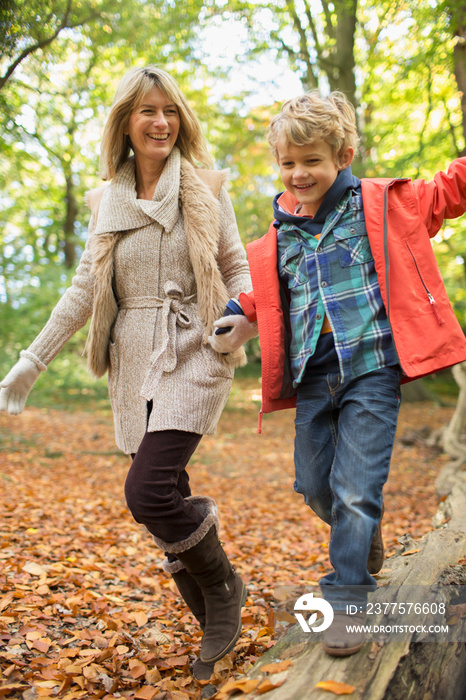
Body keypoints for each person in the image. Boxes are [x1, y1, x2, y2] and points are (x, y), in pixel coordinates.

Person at [0, 65, 252, 675]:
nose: (160, 121)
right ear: (127, 123)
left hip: (195, 347)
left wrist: (240, 317)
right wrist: (32, 361)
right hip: (131, 355)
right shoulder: (107, 200)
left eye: (169, 110)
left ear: (181, 120)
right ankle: (214, 622)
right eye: (147, 110)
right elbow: (85, 289)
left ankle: (222, 590)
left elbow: (238, 266)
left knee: (145, 490)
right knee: (164, 493)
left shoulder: (206, 189)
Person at [208, 90, 466, 656]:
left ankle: (348, 597)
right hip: (311, 379)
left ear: (343, 155)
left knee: (355, 489)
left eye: (312, 161)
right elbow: (269, 296)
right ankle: (362, 530)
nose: (298, 173)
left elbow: (450, 190)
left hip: (372, 372)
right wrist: (238, 314)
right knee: (315, 486)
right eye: (288, 163)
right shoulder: (280, 236)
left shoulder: (384, 205)